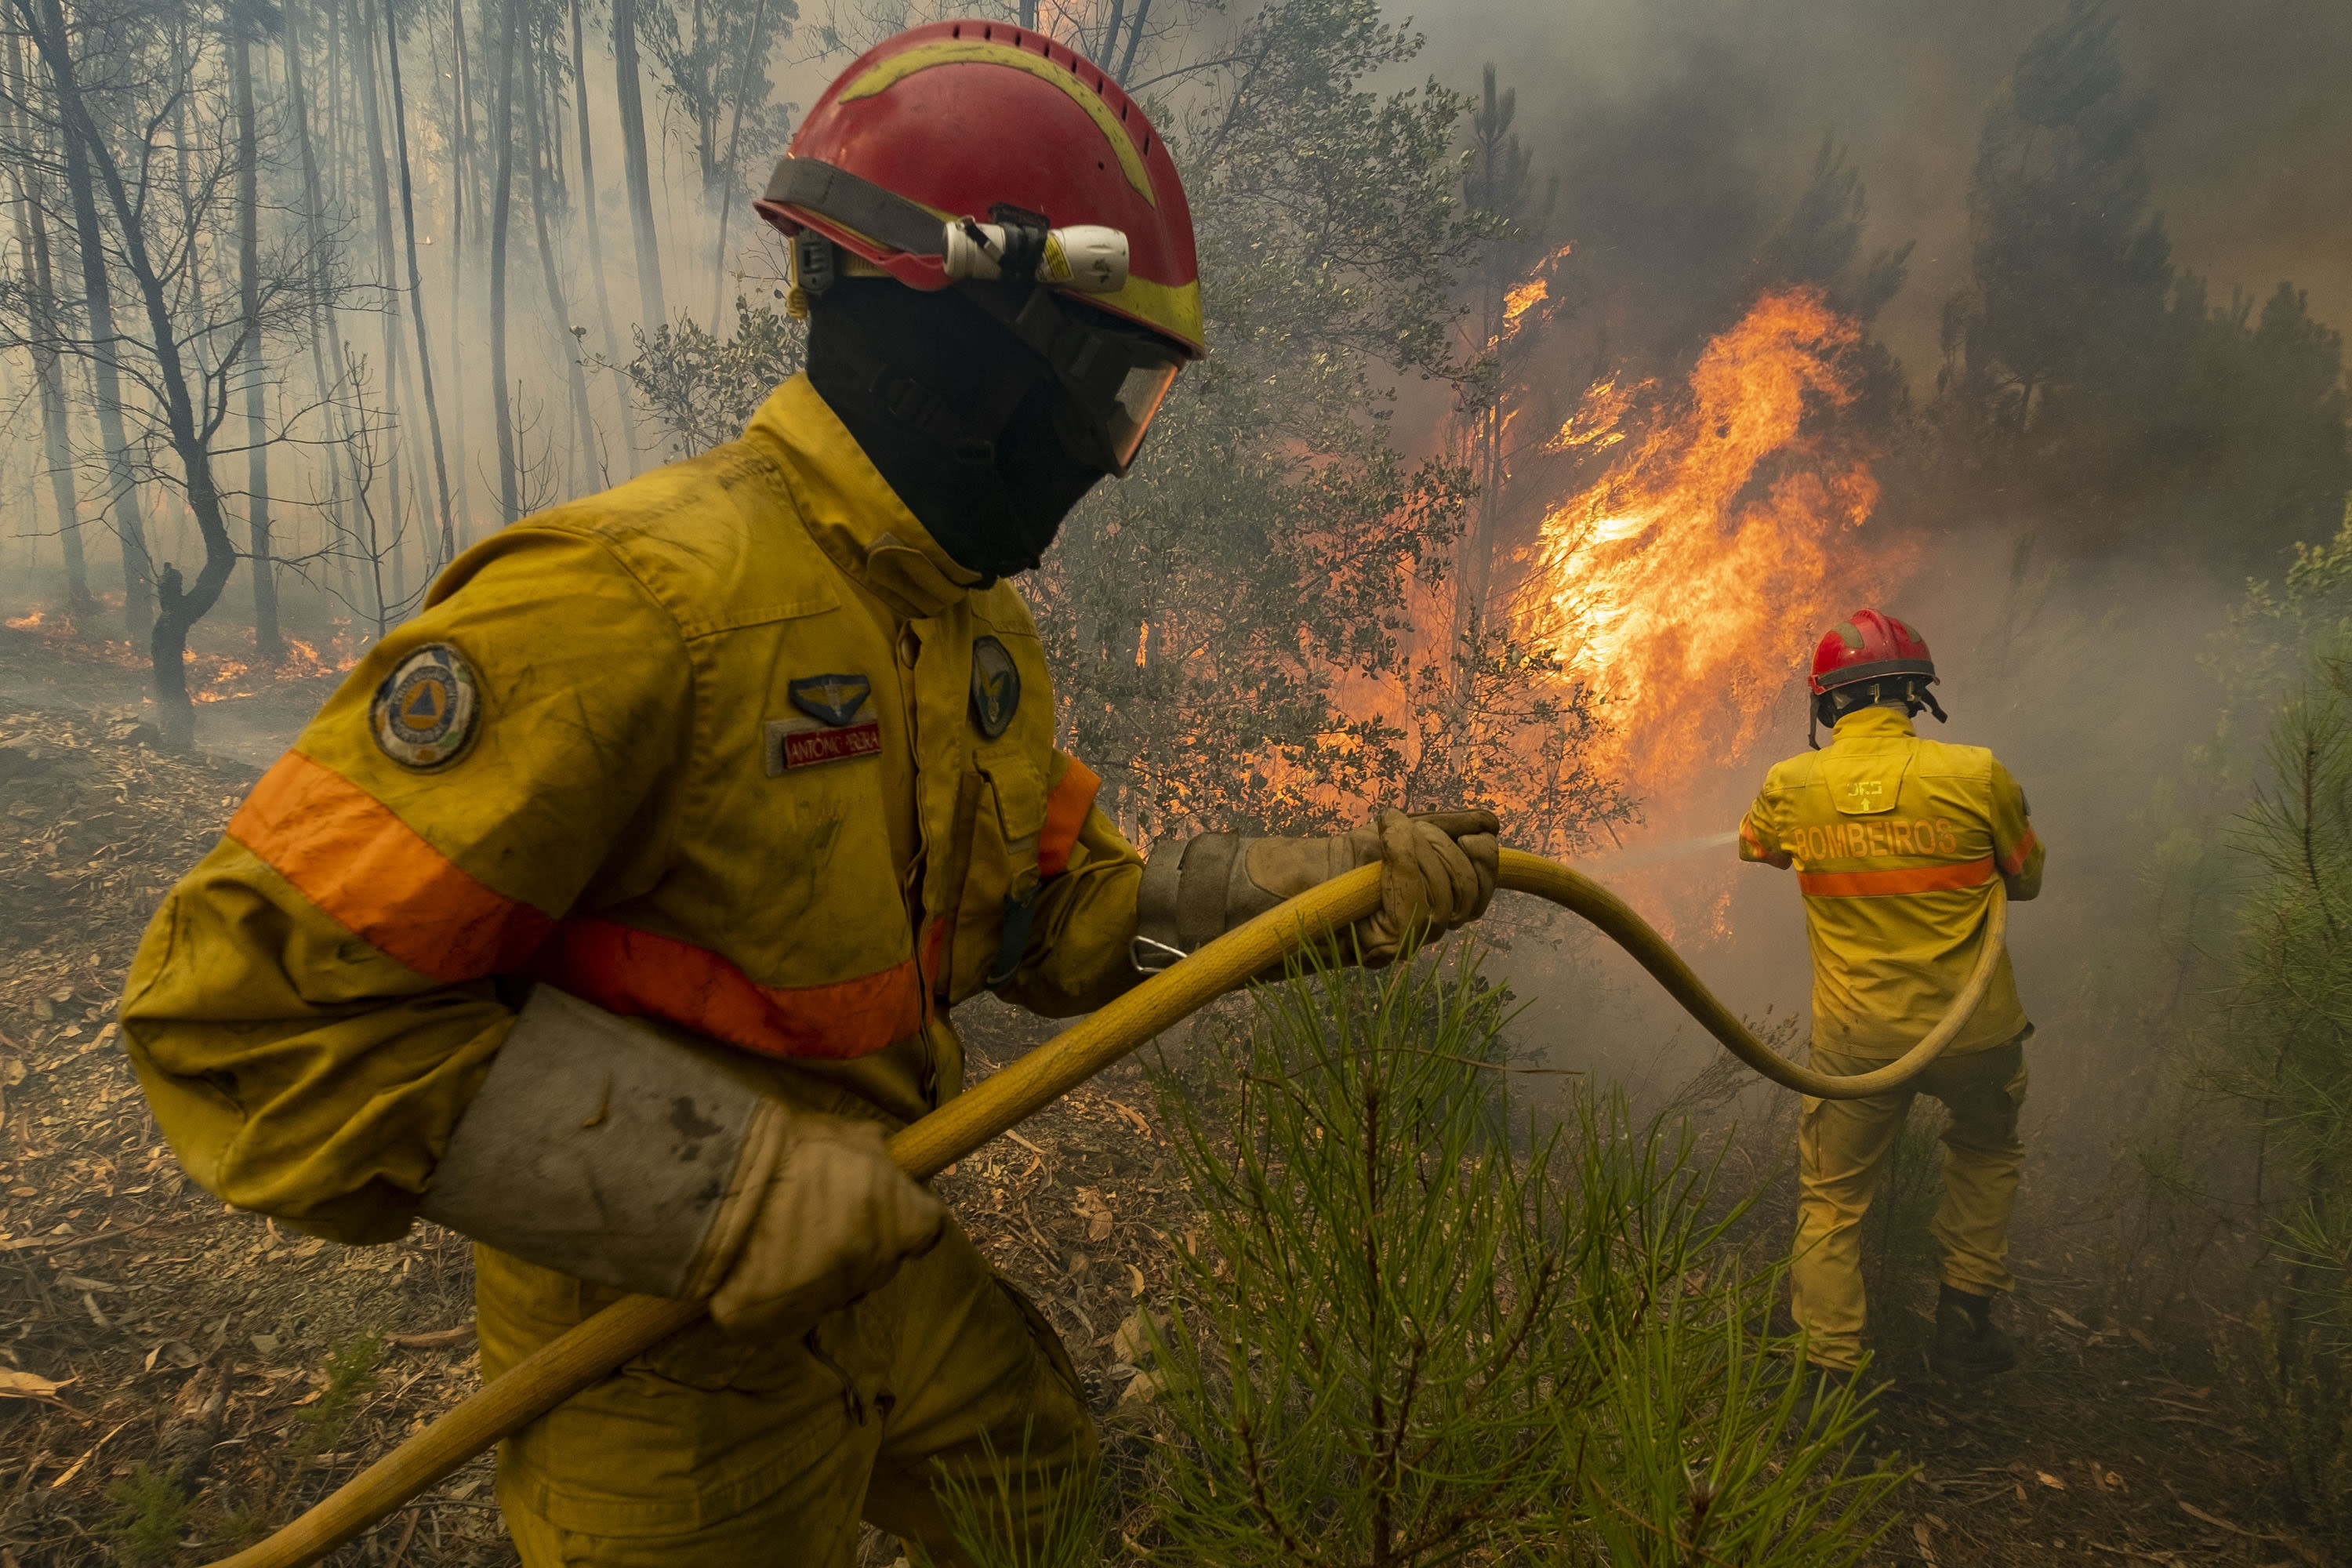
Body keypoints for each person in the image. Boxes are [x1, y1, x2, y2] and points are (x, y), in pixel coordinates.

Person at [117, 24, 1499, 1566]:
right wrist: (713, 1186)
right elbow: (245, 1009)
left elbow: (1052, 914)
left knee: (1041, 1488)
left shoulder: (965, 629)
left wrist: (1313, 897)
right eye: (1105, 387)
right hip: (658, 1348)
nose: (1107, 458)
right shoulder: (632, 603)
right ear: (966, 343)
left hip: (875, 1259)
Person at [1737, 608, 2044, 1387]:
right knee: (1986, 1149)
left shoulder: (1792, 784)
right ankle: (1967, 1318)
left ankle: (1829, 1375)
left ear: (1827, 704)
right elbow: (2028, 878)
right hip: (1975, 1032)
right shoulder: (1978, 773)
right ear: (1917, 694)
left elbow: (1757, 846)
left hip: (1859, 1045)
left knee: (1833, 1199)